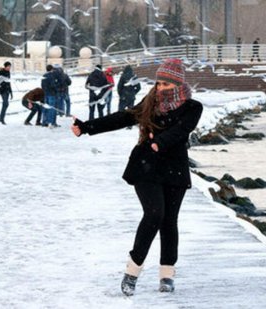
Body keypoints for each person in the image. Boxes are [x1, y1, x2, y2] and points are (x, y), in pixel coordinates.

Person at [71, 58, 203, 296]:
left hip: (174, 169)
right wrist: (87, 127)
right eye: (158, 83)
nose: (160, 88)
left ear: (177, 84)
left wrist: (160, 143)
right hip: (146, 167)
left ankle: (167, 274)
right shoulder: (149, 102)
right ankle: (132, 272)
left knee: (169, 221)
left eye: (165, 84)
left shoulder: (193, 107)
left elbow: (181, 130)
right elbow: (123, 117)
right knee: (154, 214)